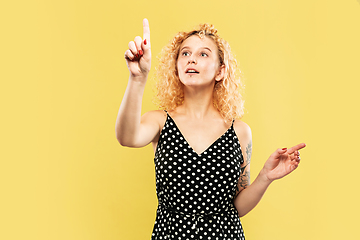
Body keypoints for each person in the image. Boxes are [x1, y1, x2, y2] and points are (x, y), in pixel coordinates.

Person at [116, 18, 306, 240]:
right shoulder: (159, 121)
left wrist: (265, 176)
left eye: (203, 54)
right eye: (185, 54)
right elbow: (127, 137)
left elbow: (237, 208)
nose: (191, 60)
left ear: (220, 71)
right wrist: (137, 79)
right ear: (176, 68)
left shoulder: (240, 132)